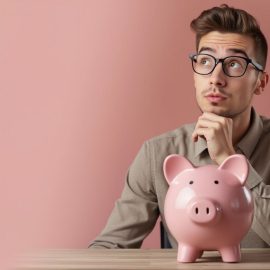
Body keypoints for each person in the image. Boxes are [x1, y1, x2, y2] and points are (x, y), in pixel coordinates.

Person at [89, 4, 270, 249]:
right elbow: (109, 247)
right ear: (195, 75)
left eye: (235, 64)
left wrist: (229, 158)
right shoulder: (158, 154)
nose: (216, 77)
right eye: (205, 61)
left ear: (260, 82)